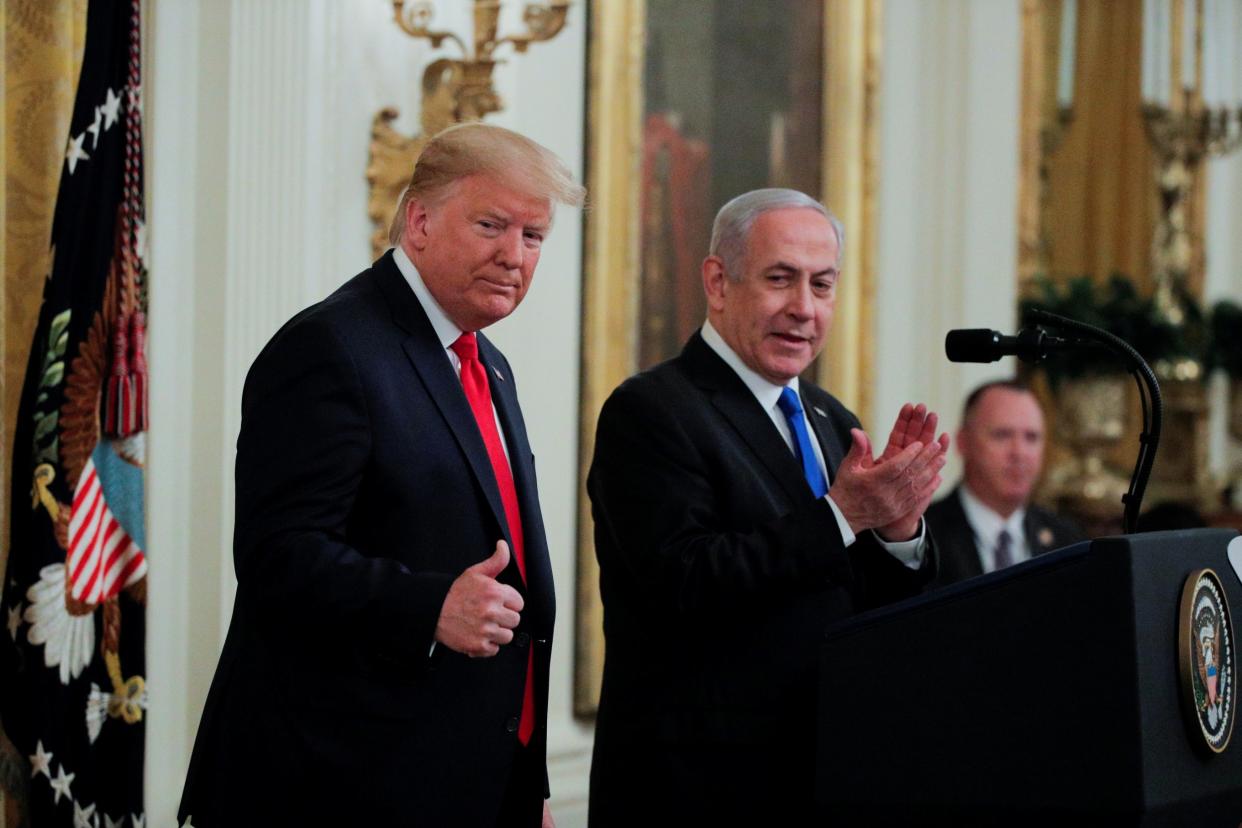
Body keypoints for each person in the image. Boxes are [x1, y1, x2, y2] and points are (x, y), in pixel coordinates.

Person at [178, 123, 583, 827]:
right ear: (419, 221)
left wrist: (524, 780)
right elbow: (279, 557)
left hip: (468, 777)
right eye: (491, 225)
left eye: (534, 236)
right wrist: (428, 606)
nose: (514, 256)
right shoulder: (330, 346)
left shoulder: (486, 361)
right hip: (338, 783)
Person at [586, 188, 951, 824]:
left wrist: (898, 530)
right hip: (698, 791)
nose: (804, 309)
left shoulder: (833, 419)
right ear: (718, 282)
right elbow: (685, 580)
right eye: (780, 279)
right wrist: (842, 515)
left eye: (823, 284)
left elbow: (860, 605)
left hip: (824, 777)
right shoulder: (651, 410)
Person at [926, 380, 1082, 589]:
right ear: (963, 443)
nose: (1019, 453)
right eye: (1002, 435)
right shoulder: (923, 539)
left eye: (1031, 437)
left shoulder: (1068, 540)